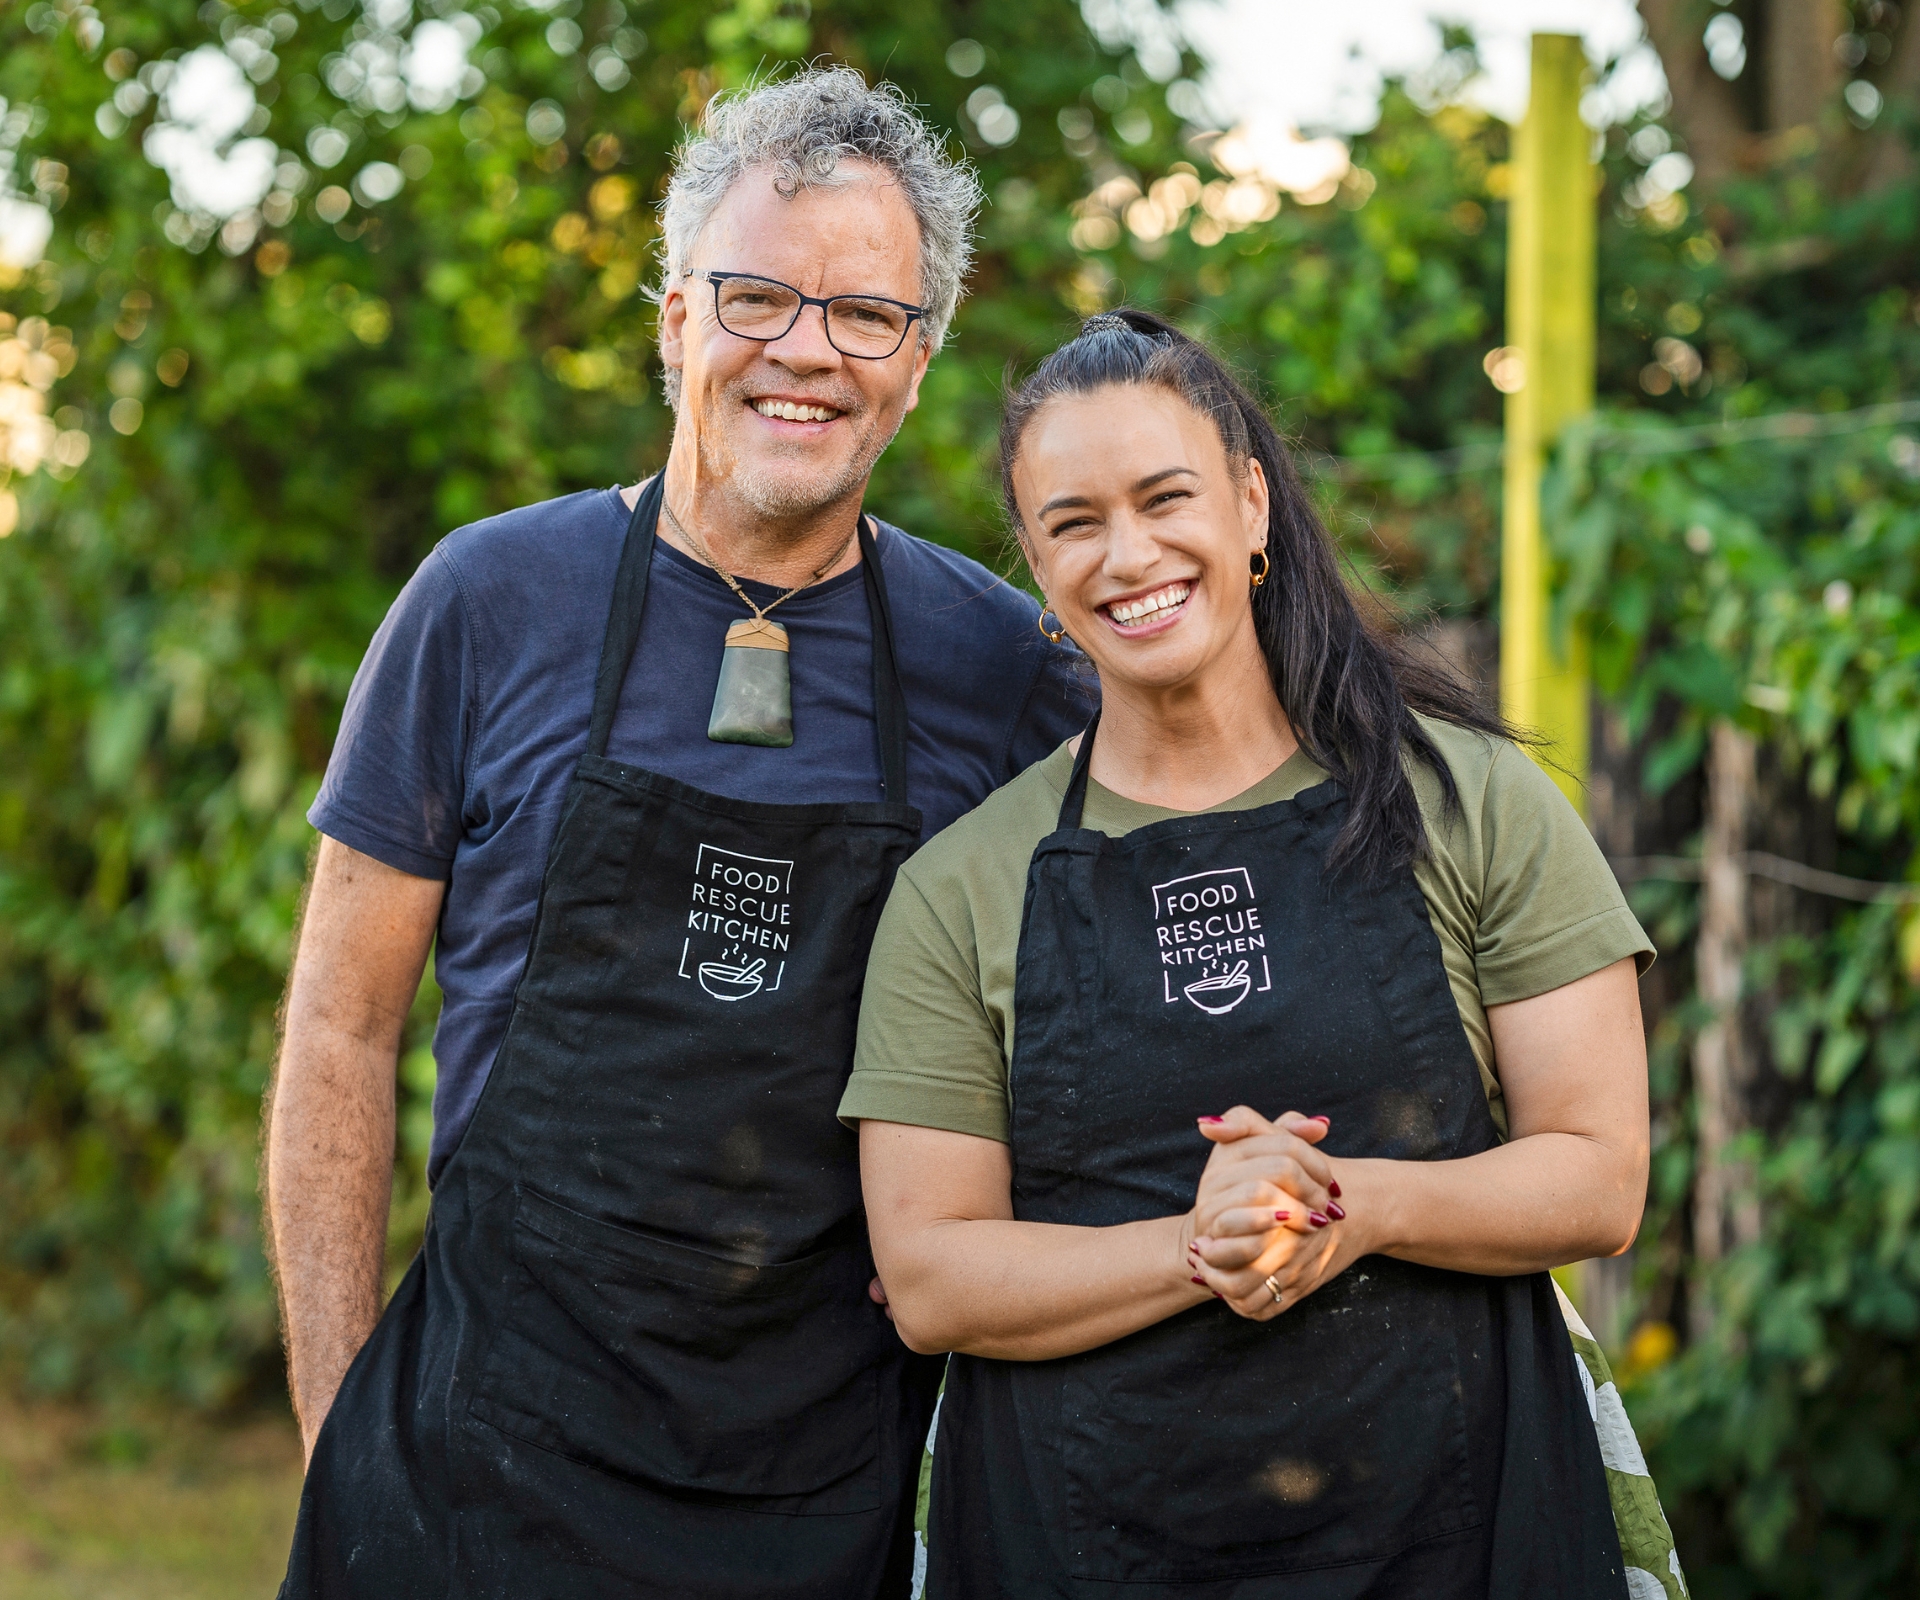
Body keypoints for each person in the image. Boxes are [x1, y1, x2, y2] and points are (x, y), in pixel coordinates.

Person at [266, 68, 1088, 1599]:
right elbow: (341, 1023)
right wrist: (338, 1430)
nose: (807, 352)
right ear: (673, 321)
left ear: (918, 363)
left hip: (829, 1493)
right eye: (758, 295)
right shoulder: (488, 601)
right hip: (474, 1475)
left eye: (866, 317)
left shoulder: (1006, 668)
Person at [846, 310, 1687, 1598]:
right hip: (1079, 1542)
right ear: (1034, 564)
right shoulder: (960, 888)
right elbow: (932, 1277)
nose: (1129, 555)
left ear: (1251, 506)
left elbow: (1596, 1177)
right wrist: (1203, 1242)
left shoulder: (1469, 801)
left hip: (1458, 1528)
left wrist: (1350, 1206)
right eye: (1073, 522)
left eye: (1165, 497)